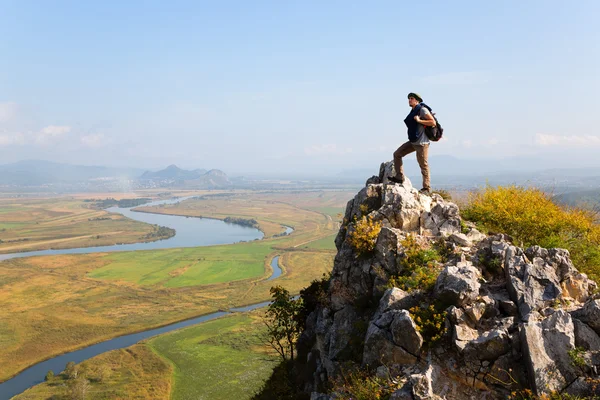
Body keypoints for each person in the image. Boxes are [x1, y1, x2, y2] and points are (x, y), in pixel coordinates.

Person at [388, 92, 436, 194]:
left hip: (422, 143)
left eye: (411, 98)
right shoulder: (413, 110)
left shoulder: (422, 110)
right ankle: (399, 177)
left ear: (417, 100)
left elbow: (432, 122)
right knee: (397, 154)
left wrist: (419, 121)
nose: (409, 100)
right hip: (414, 142)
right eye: (409, 98)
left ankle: (426, 188)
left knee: (423, 164)